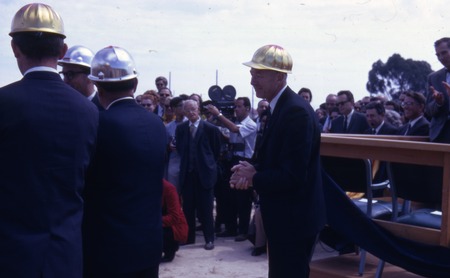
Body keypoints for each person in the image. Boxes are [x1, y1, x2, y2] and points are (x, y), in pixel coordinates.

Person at [0, 4, 99, 277]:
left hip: (11, 256)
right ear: (63, 51)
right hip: (65, 254)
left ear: (14, 48)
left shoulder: (4, 103)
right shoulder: (88, 110)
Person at [230, 44, 326, 277]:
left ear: (280, 77)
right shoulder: (280, 108)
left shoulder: (295, 112)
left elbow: (293, 176)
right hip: (286, 218)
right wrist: (250, 169)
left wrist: (254, 178)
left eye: (259, 74)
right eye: (252, 73)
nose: (253, 80)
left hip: (294, 220)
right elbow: (276, 160)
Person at [82, 46, 167, 278]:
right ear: (135, 84)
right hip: (148, 242)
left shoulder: (98, 124)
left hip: (107, 248)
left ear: (97, 87)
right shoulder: (157, 125)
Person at [207, 97, 257, 241]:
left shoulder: (250, 124)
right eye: (235, 106)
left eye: (239, 107)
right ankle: (231, 228)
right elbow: (230, 136)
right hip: (232, 159)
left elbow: (235, 130)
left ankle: (243, 230)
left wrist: (219, 115)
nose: (236, 109)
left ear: (247, 108)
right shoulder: (236, 122)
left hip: (244, 160)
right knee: (229, 196)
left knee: (242, 198)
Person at [176, 99, 221, 250]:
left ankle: (209, 239)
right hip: (188, 174)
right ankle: (189, 238)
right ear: (184, 112)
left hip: (205, 174)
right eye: (187, 110)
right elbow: (181, 149)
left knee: (206, 209)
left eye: (193, 109)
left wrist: (207, 165)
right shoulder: (181, 128)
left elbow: (216, 151)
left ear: (199, 109)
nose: (191, 113)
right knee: (188, 208)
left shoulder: (210, 128)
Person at [58, 45, 102, 109]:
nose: (65, 81)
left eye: (70, 74)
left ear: (90, 77)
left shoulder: (103, 109)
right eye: (64, 74)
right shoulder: (61, 107)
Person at [426, 37, 450, 143]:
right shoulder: (434, 77)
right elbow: (428, 110)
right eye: (438, 55)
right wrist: (439, 103)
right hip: (441, 135)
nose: (441, 57)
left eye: (444, 53)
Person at [161, 179, 188, 263]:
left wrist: (151, 221)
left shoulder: (168, 188)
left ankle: (169, 250)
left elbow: (174, 217)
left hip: (172, 227)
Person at [165, 96, 188, 192]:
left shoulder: (191, 123)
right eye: (180, 106)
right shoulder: (169, 127)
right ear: (174, 108)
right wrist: (169, 146)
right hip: (174, 160)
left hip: (188, 160)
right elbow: (165, 145)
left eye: (184, 105)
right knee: (174, 190)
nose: (184, 108)